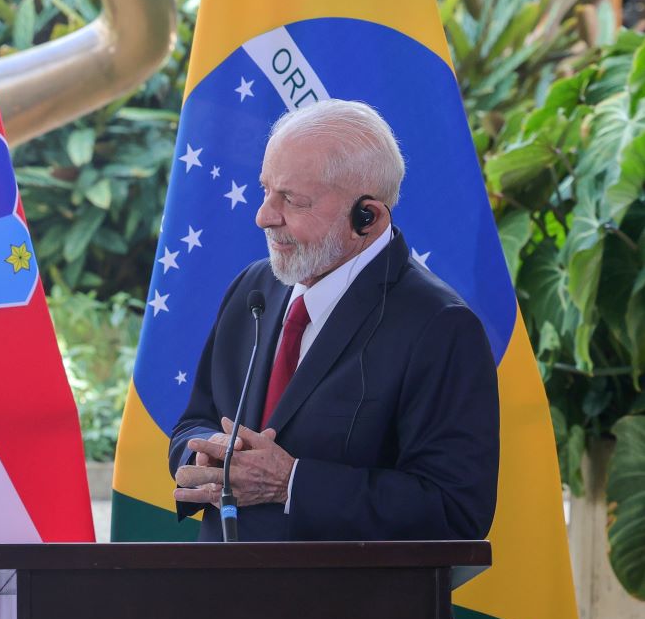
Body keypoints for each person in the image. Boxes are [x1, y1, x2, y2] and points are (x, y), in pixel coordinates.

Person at [168, 100, 497, 542]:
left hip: (348, 607)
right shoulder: (254, 287)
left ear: (369, 217)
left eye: (292, 200)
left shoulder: (441, 326)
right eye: (266, 189)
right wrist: (210, 459)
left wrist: (291, 483)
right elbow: (195, 421)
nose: (263, 216)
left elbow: (454, 510)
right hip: (222, 598)